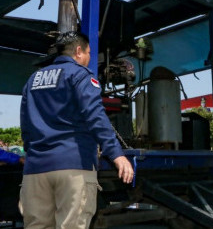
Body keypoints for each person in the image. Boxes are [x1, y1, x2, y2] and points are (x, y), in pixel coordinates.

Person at [20, 31, 134, 229]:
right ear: (79, 51)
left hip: (35, 170)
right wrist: (116, 154)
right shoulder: (79, 75)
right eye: (89, 53)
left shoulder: (33, 80)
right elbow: (95, 115)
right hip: (73, 166)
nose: (90, 58)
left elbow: (26, 124)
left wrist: (33, 154)